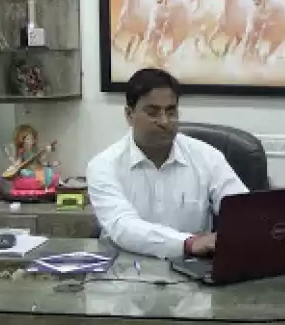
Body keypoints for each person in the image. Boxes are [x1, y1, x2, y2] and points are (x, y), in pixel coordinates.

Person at [87, 68, 247, 259]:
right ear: (129, 115)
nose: (164, 121)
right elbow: (123, 226)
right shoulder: (104, 166)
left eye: (171, 112)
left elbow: (243, 210)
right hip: (125, 268)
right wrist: (188, 243)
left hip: (193, 269)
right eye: (152, 112)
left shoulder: (207, 157)